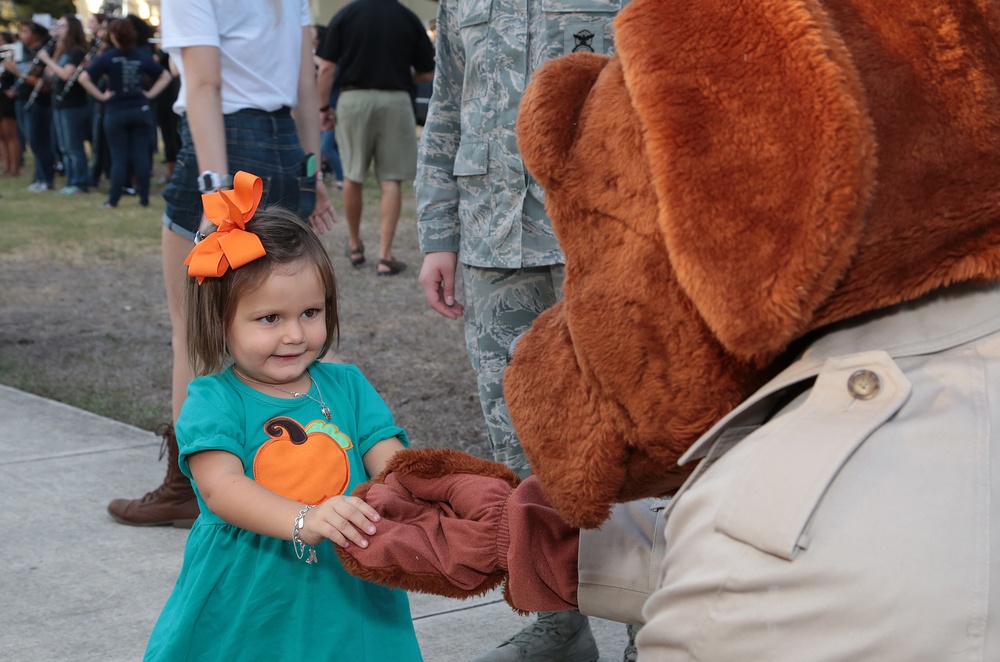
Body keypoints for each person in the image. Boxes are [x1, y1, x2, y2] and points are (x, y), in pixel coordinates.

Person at [414, 0, 623, 659]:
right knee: (517, 440)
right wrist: (437, 235)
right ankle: (558, 623)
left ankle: (656, 628)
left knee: (629, 435)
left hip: (604, 232)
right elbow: (447, 104)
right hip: (491, 238)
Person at [144, 173, 421, 660]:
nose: (295, 335)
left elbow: (391, 462)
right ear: (221, 322)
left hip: (347, 589)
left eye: (311, 312)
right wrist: (305, 519)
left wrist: (423, 495)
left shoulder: (348, 386)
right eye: (270, 318)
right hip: (249, 593)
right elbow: (221, 489)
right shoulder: (213, 399)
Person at [105, 0, 336, 529]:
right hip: (283, 147)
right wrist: (310, 173)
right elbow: (305, 88)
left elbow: (206, 85)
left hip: (223, 149)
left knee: (195, 332)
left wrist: (214, 189)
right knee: (287, 325)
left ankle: (189, 484)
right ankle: (303, 473)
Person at [315, 0, 435, 275]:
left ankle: (355, 246)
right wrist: (401, 77)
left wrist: (323, 107)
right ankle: (385, 256)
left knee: (352, 175)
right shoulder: (407, 18)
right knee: (391, 178)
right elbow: (427, 71)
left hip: (353, 99)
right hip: (396, 100)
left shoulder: (346, 15)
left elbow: (326, 69)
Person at [77, 18, 172, 208]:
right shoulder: (141, 55)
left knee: (118, 157)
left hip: (115, 111)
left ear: (113, 36)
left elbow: (84, 78)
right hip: (140, 109)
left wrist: (102, 97)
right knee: (141, 156)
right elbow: (165, 76)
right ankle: (143, 199)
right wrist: (150, 94)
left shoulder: (107, 57)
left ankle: (113, 200)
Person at [36, 15, 90, 195]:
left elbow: (66, 74)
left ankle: (79, 183)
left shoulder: (75, 51)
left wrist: (47, 60)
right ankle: (71, 181)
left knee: (74, 146)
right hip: (59, 103)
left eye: (62, 26)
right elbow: (56, 74)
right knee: (64, 147)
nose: (58, 29)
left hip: (73, 104)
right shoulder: (62, 50)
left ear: (72, 29)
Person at [2, 21, 55, 192]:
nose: (22, 35)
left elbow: (38, 81)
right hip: (22, 99)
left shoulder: (42, 54)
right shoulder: (26, 52)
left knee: (39, 142)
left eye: (25, 31)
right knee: (33, 142)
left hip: (37, 102)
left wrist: (16, 72)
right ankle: (38, 177)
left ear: (35, 35)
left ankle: (46, 179)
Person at [0, 31, 20, 178]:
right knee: (2, 136)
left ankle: (14, 168)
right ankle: (6, 167)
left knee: (10, 134)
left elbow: (17, 74)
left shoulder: (13, 56)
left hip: (8, 99)